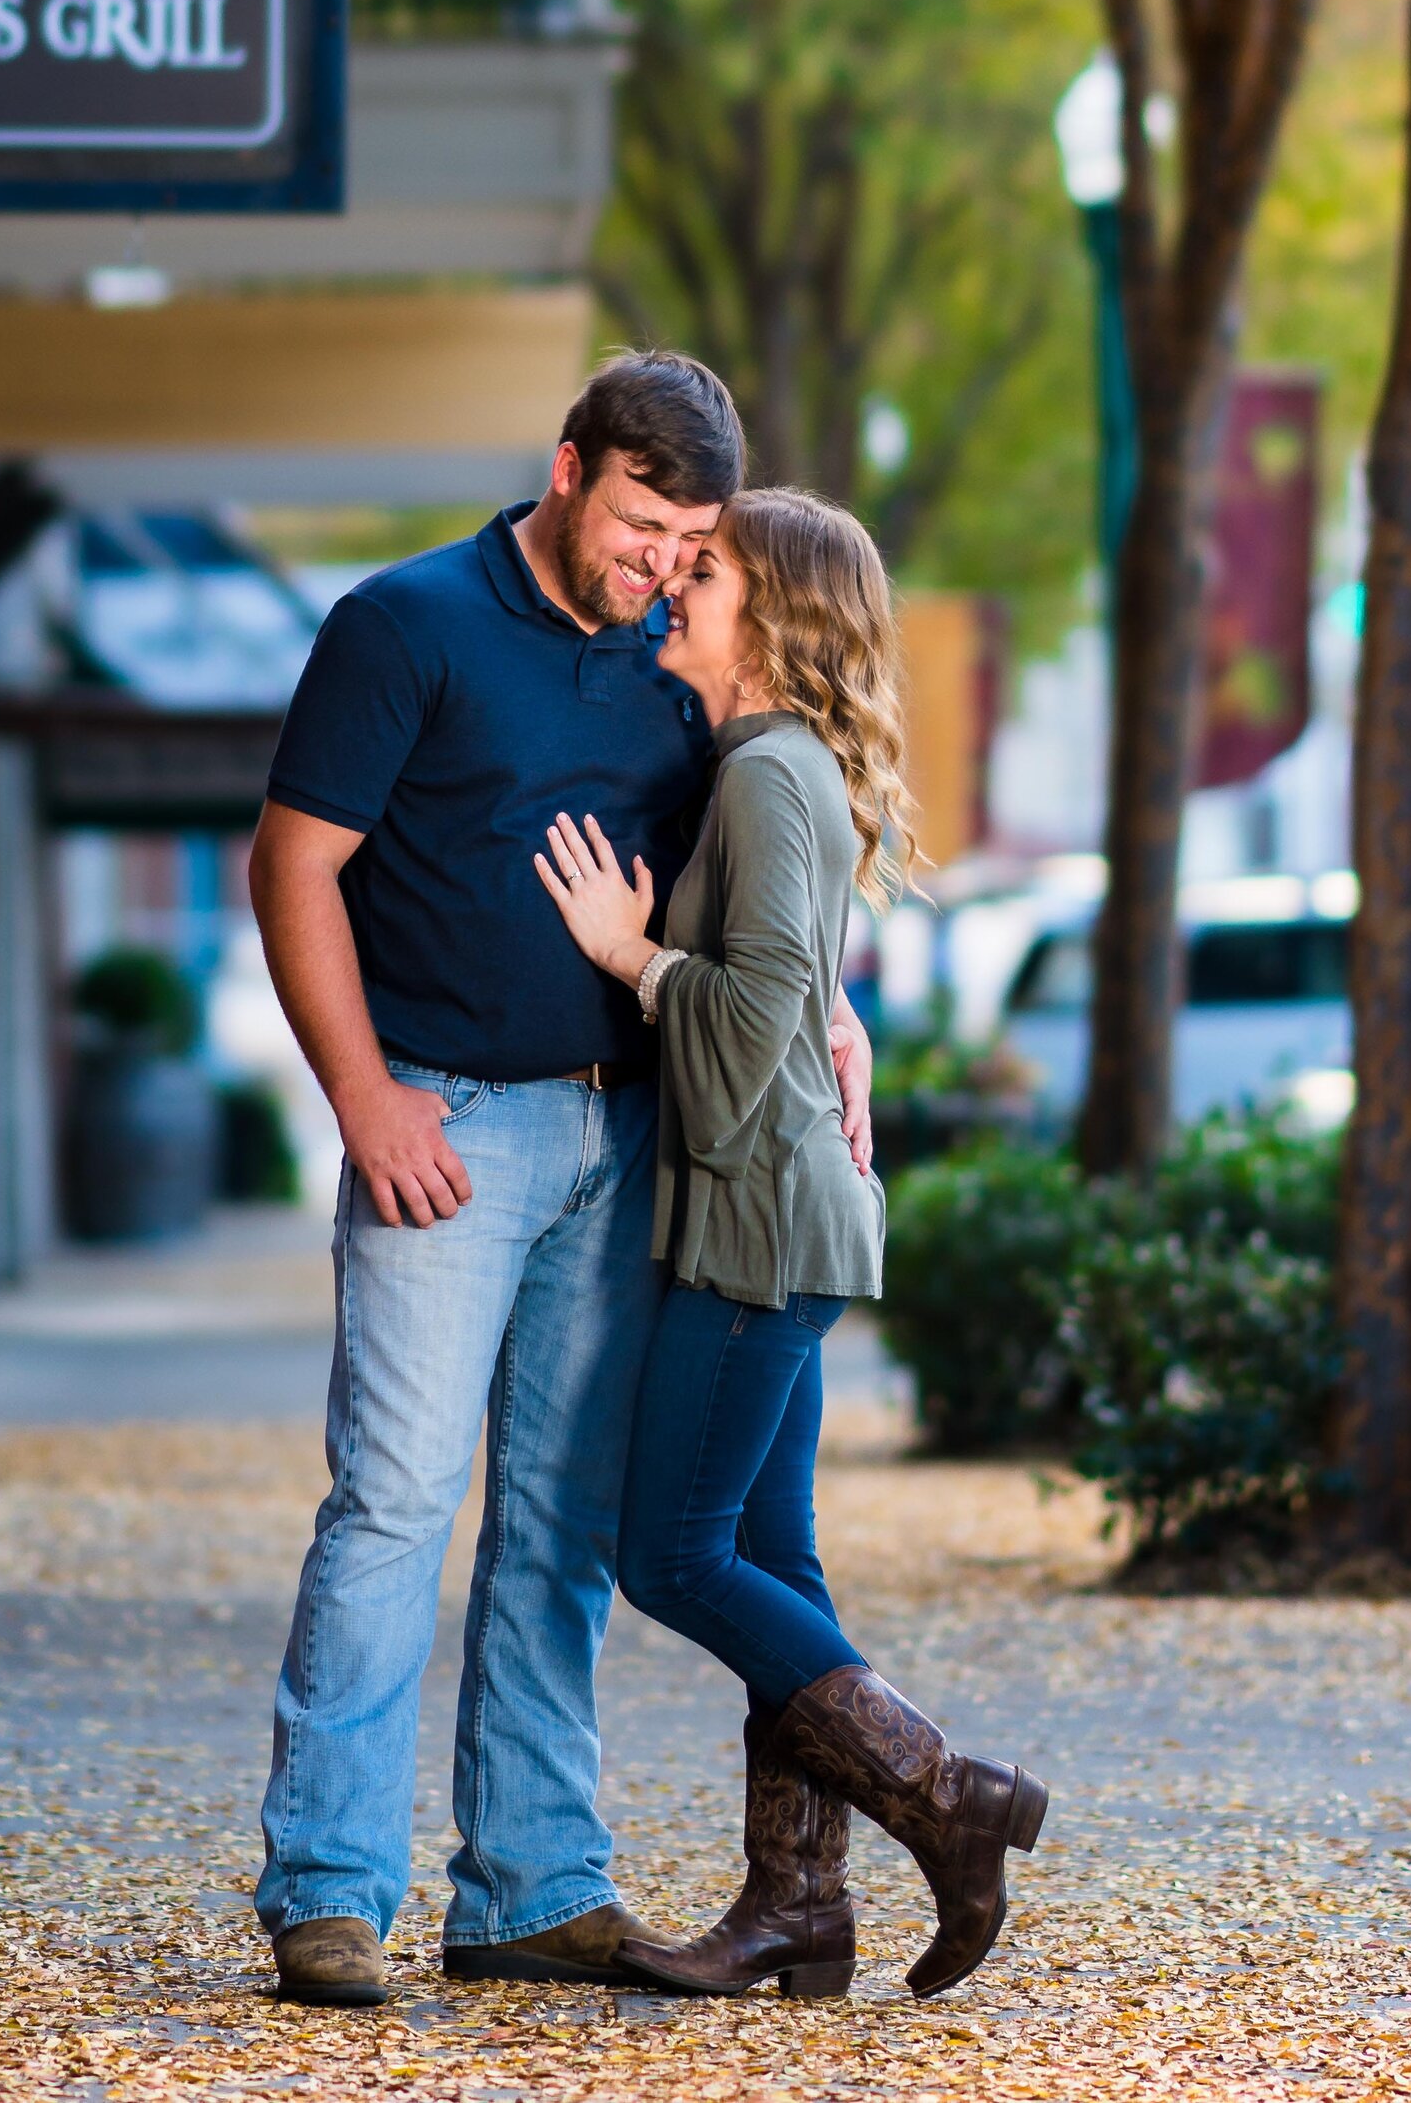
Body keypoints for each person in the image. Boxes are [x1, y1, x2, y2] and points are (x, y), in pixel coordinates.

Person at [245, 349, 872, 2009]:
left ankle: (531, 1881)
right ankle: (329, 1886)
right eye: (643, 521)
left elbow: (751, 884)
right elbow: (292, 860)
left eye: (690, 539)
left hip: (635, 1131)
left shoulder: (678, 664)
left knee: (564, 1522)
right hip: (446, 1128)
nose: (660, 563)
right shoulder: (407, 624)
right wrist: (365, 1094)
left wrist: (833, 1007)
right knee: (391, 1503)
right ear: (570, 465)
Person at [535, 487, 1049, 2003]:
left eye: (708, 568)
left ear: (774, 614)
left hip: (759, 1229)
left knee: (670, 1552)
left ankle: (945, 1795)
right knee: (775, 1565)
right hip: (787, 1216)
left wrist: (631, 953)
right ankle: (798, 1907)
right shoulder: (770, 766)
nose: (675, 584)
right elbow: (800, 993)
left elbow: (754, 1025)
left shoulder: (768, 774)